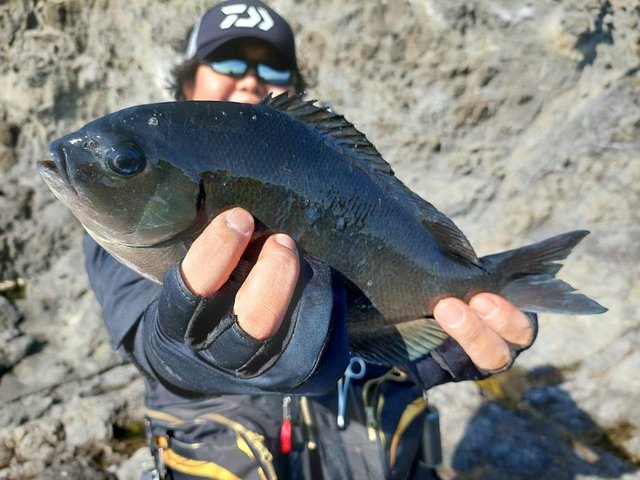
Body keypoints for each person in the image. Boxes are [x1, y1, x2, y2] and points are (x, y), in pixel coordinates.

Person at [83, 1, 537, 478]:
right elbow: (150, 341)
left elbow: (383, 285)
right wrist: (187, 349)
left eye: (273, 68)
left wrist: (430, 347)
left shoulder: (327, 167)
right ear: (186, 82)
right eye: (228, 61)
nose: (251, 79)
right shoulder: (115, 226)